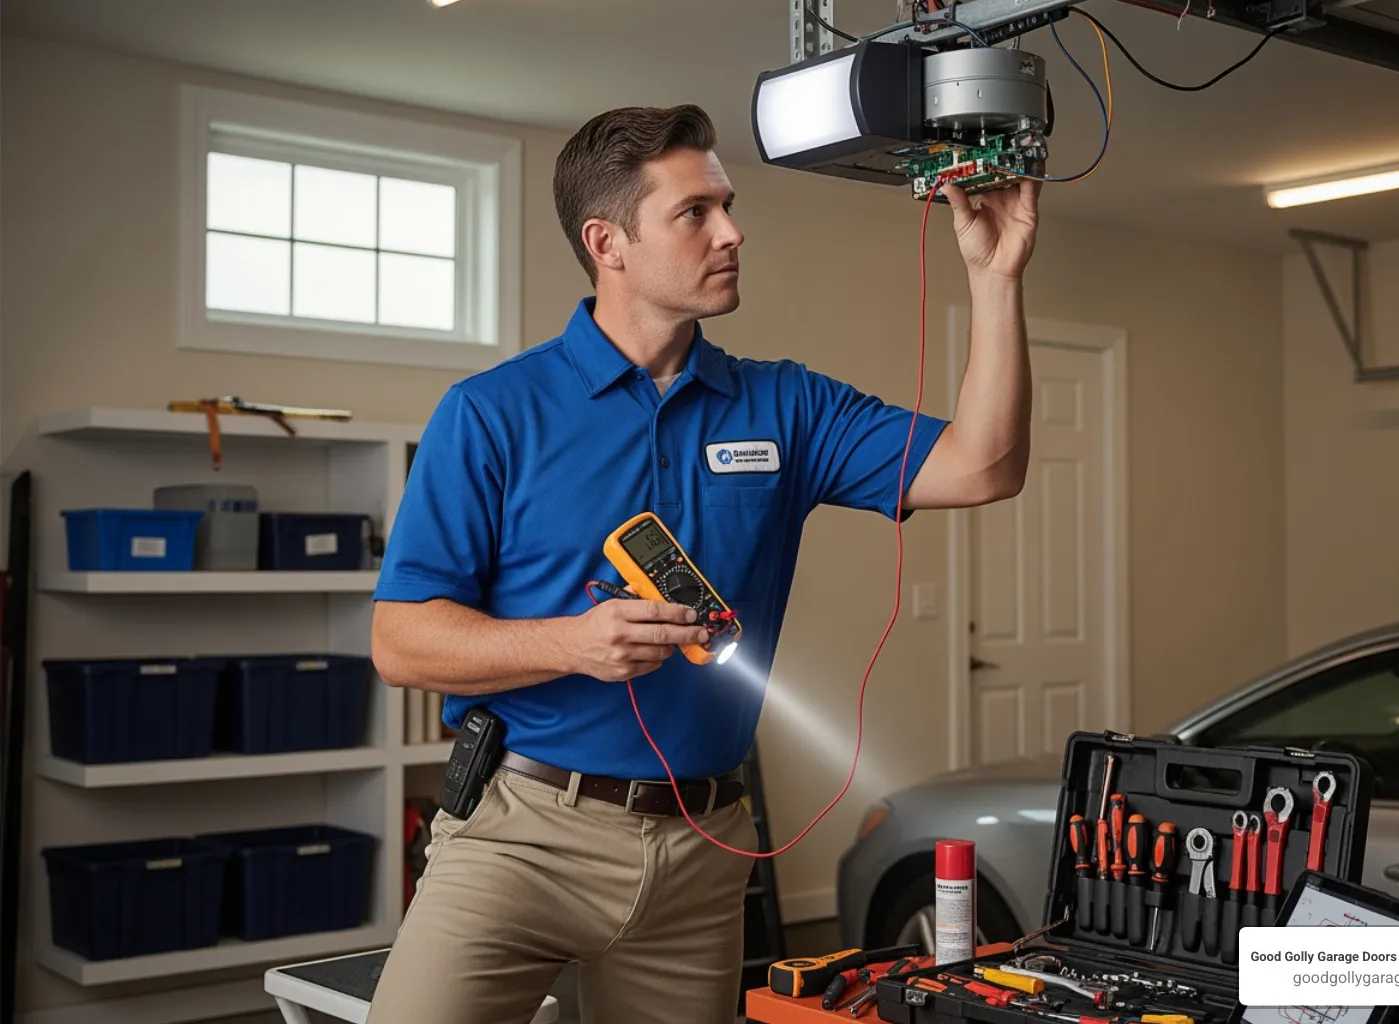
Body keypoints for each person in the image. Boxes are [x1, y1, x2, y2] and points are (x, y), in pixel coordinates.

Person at [363, 103, 1040, 1024]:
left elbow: (985, 467)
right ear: (607, 243)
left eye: (726, 206)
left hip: (702, 848)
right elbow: (400, 643)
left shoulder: (786, 406)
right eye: (695, 212)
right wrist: (573, 644)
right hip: (521, 834)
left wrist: (995, 280)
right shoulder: (490, 413)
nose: (732, 231)